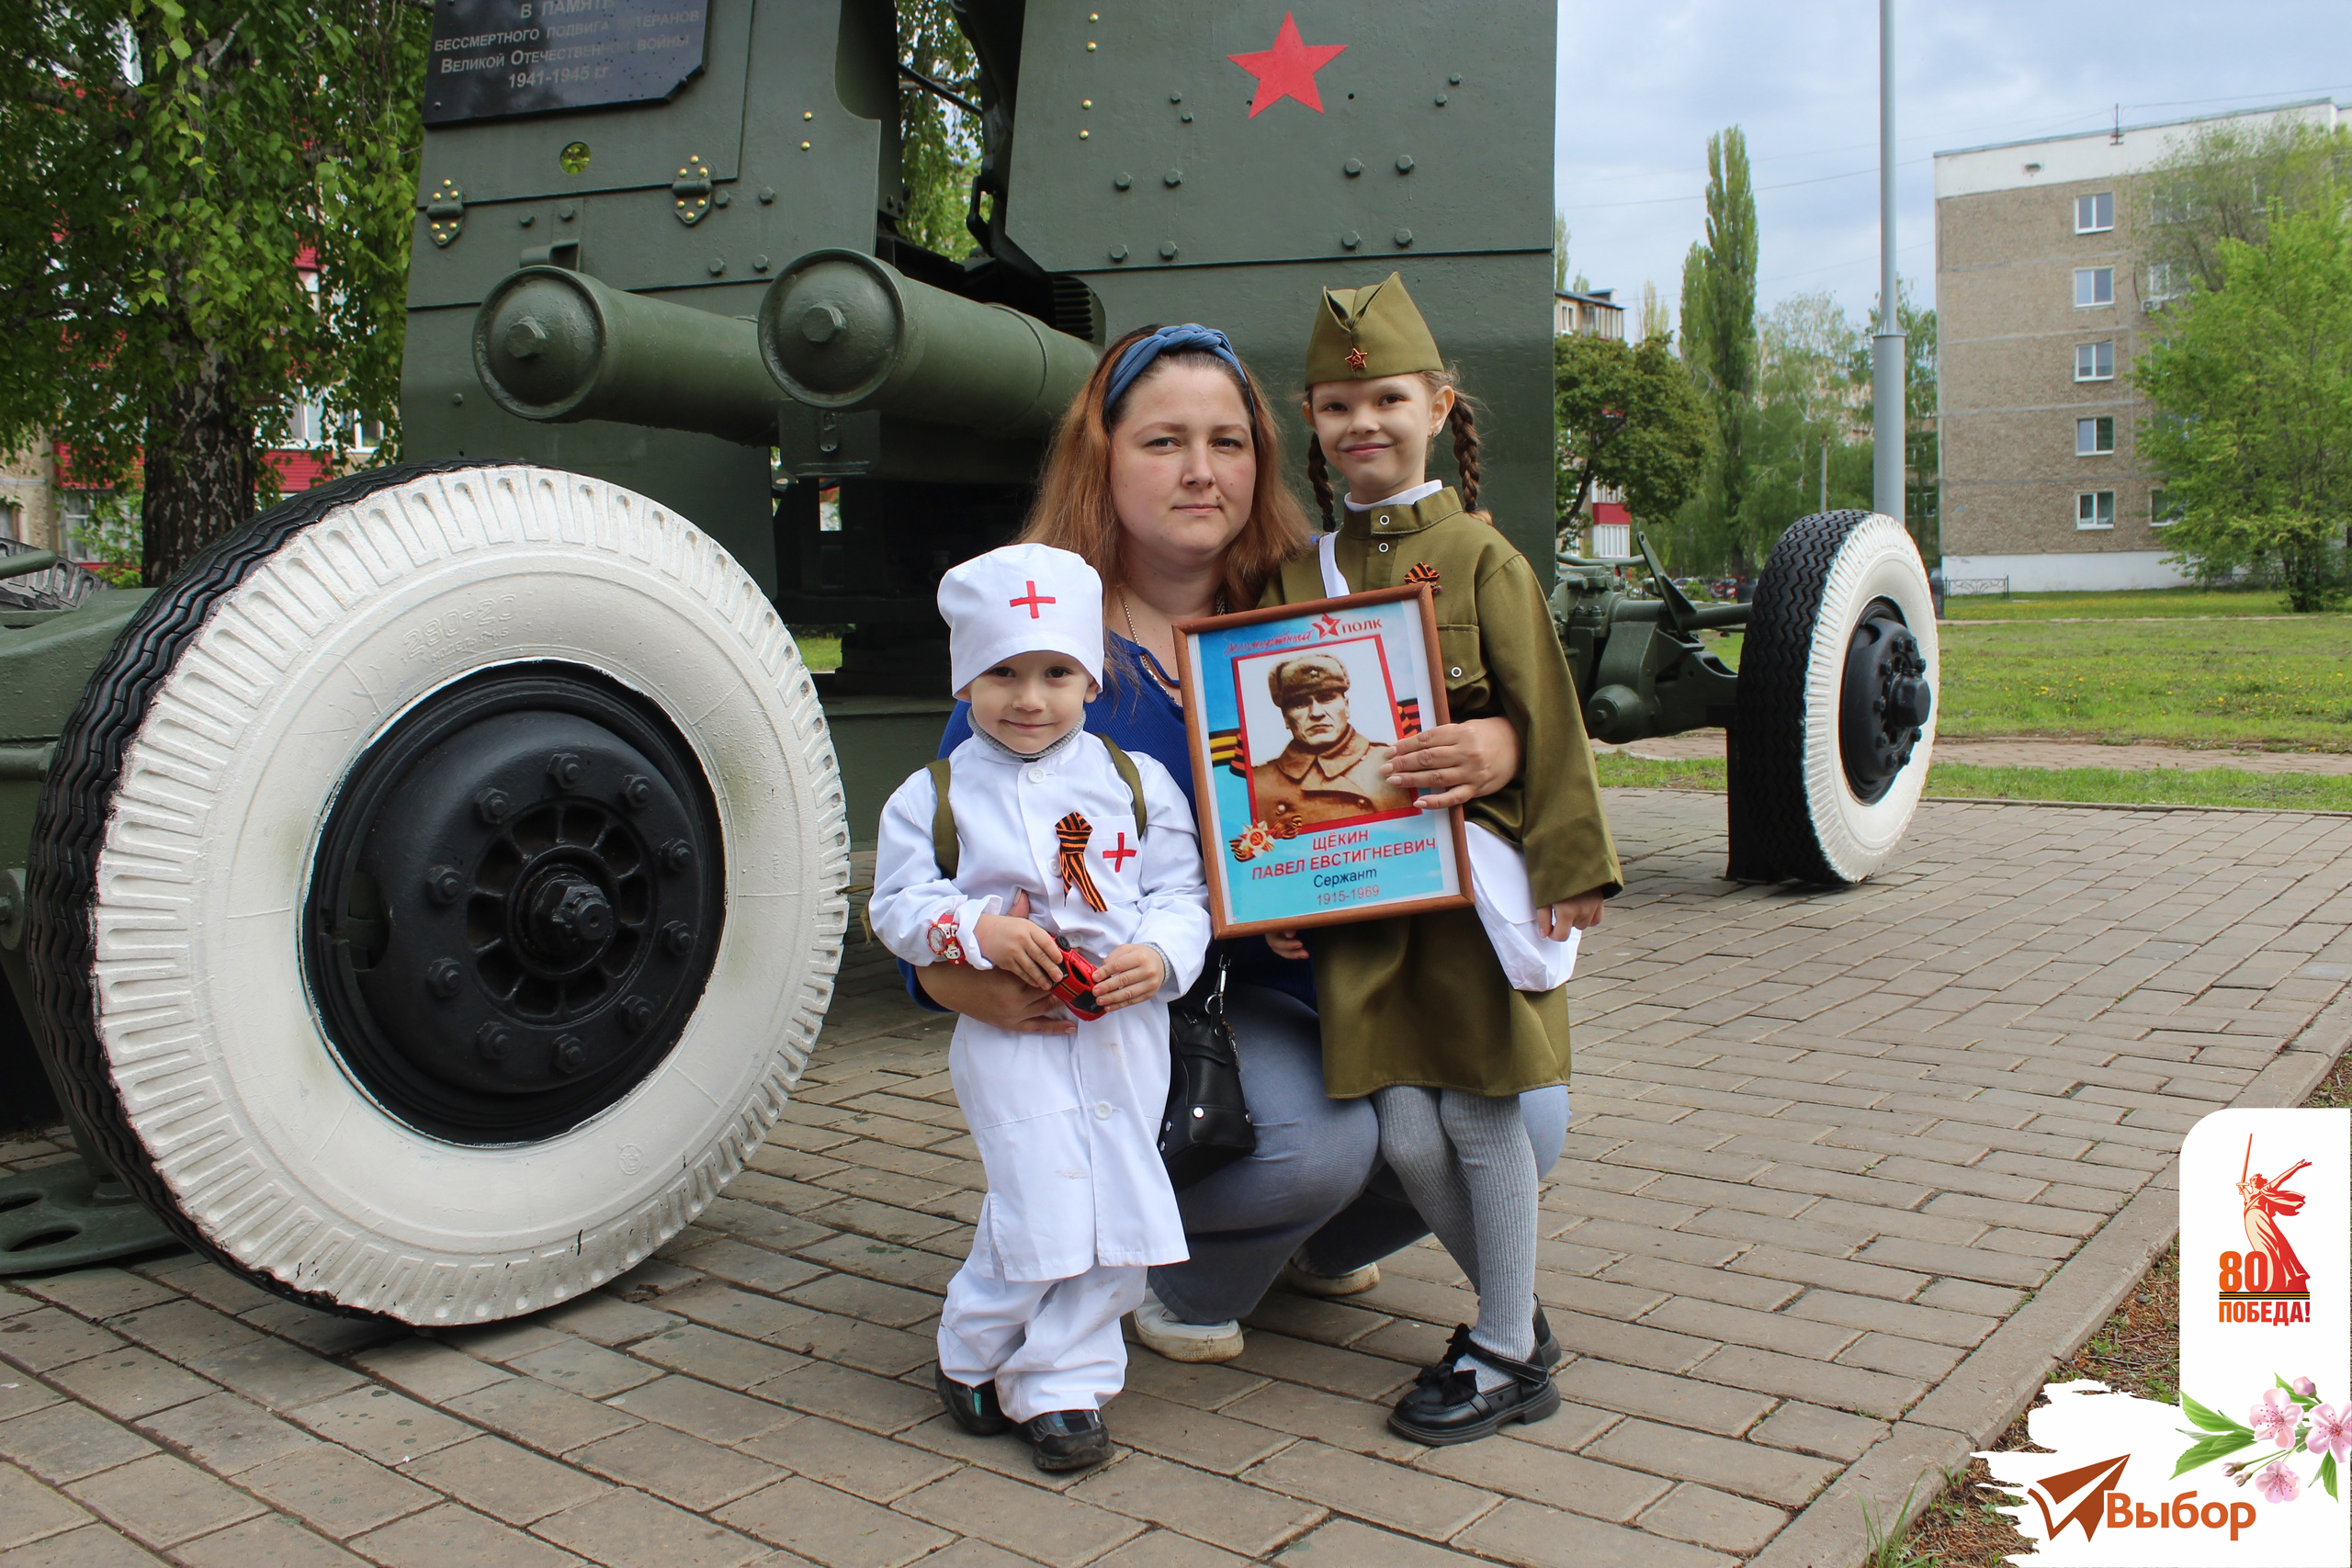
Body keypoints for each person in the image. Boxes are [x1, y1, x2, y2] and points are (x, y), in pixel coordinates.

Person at [903, 320, 1566, 1367]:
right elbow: (937, 864)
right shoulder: (1040, 652)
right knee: (1315, 1144)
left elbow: (1478, 684)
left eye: (1230, 442)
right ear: (1102, 457)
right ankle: (1177, 1279)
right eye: (1163, 442)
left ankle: (1311, 1244)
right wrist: (957, 982)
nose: (1202, 472)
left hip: (1338, 969)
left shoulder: (1317, 600)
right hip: (1168, 1007)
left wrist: (1502, 740)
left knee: (1528, 1119)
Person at [1270, 272, 1623, 1446]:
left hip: (1470, 889)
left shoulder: (1481, 558)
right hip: (1360, 902)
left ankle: (1507, 1348)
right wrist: (1255, 885)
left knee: (1479, 1119)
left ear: (1436, 404)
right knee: (1405, 1131)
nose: (1360, 423)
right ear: (1310, 424)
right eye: (1334, 406)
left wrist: (1572, 857)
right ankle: (1514, 1325)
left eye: (1383, 399)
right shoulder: (1294, 574)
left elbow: (1547, 713)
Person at [867, 542, 1211, 1472]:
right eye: (1002, 674)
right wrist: (976, 931)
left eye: (1056, 673)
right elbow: (897, 905)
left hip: (1123, 1034)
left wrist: (1159, 955)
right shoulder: (930, 797)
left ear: (1090, 681)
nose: (1030, 698)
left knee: (1119, 1206)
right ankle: (976, 1348)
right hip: (1010, 1034)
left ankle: (1062, 1382)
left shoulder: (1136, 784)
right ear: (964, 683)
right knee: (1041, 1200)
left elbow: (1184, 895)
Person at [1247, 651, 1416, 827]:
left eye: (1326, 699)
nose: (1316, 713)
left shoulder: (1392, 762)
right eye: (1300, 704)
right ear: (1286, 719)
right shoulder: (1257, 784)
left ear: (1347, 707)